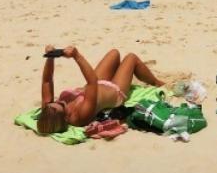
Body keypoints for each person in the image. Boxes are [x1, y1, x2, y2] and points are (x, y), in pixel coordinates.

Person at [36, 45, 164, 133]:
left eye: (55, 102)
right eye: (61, 105)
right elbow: (92, 83)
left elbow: (47, 81)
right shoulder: (80, 115)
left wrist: (50, 57)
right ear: (64, 119)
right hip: (115, 91)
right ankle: (156, 82)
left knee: (114, 53)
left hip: (98, 83)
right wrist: (77, 56)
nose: (58, 101)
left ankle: (126, 72)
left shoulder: (49, 110)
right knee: (131, 58)